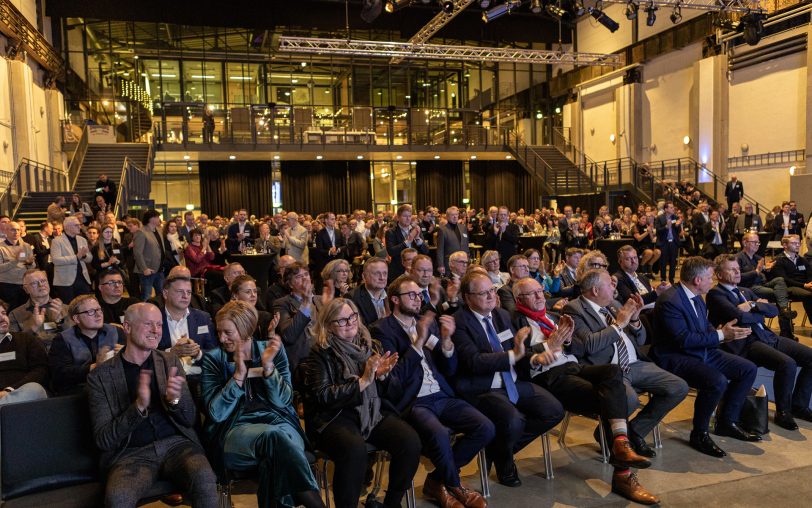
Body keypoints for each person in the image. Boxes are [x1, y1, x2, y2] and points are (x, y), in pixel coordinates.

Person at [512, 278, 659, 505]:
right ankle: (623, 473)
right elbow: (517, 359)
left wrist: (568, 340)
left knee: (612, 372)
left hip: (574, 367)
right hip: (549, 377)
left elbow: (579, 349)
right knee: (611, 401)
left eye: (540, 291)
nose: (540, 296)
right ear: (518, 299)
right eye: (532, 294)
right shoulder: (515, 321)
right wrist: (548, 345)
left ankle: (620, 442)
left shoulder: (551, 316)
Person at [372, 276, 494, 508]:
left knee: (485, 427)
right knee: (438, 434)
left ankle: (437, 481)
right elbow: (396, 377)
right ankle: (456, 486)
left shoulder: (428, 321)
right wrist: (418, 341)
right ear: (395, 300)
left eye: (420, 294)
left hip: (441, 393)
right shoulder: (381, 330)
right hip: (414, 400)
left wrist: (447, 341)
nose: (418, 299)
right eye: (412, 295)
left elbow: (449, 367)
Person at [86, 302, 218, 507]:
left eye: (159, 325)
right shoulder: (100, 377)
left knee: (205, 479)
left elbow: (189, 418)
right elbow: (104, 440)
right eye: (148, 324)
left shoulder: (170, 362)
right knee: (118, 498)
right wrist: (138, 408)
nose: (156, 331)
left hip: (177, 446)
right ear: (127, 327)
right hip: (131, 455)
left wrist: (174, 401)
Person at [298, 298, 420, 508]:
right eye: (342, 321)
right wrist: (363, 381)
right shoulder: (319, 353)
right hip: (334, 418)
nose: (350, 323)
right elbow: (323, 396)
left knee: (410, 441)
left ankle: (392, 503)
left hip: (371, 412)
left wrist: (382, 377)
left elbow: (395, 393)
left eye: (352, 317)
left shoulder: (372, 345)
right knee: (355, 451)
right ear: (328, 325)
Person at [201, 301, 324, 508]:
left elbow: (284, 401)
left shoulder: (272, 350)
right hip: (234, 429)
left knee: (273, 460)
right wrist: (238, 377)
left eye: (228, 332)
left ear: (245, 329)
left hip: (280, 422)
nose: (221, 338)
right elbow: (216, 413)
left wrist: (268, 369)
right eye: (219, 332)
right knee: (274, 438)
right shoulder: (214, 359)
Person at [451, 271, 564, 487]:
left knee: (553, 410)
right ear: (467, 297)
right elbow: (474, 362)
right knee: (513, 420)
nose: (491, 296)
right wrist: (514, 355)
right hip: (484, 388)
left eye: (492, 290)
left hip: (512, 382)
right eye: (483, 293)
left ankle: (500, 450)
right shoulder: (460, 322)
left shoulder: (501, 315)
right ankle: (505, 459)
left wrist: (535, 359)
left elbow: (518, 351)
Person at [564, 269, 688, 456]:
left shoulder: (613, 304)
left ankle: (633, 432)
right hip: (608, 369)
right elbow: (589, 345)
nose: (614, 286)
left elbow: (640, 340)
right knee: (629, 399)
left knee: (678, 387)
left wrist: (636, 319)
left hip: (634, 363)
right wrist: (619, 324)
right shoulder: (574, 309)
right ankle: (615, 440)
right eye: (609, 284)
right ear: (595, 290)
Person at [651, 256, 759, 458]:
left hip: (701, 350)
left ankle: (727, 421)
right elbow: (683, 340)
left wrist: (721, 335)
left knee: (747, 369)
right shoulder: (670, 301)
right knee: (715, 381)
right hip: (674, 356)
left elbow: (705, 327)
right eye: (710, 277)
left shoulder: (696, 296)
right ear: (697, 280)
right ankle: (699, 434)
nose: (713, 280)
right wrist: (720, 335)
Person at [707, 255, 812, 430]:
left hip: (767, 336)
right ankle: (783, 412)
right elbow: (739, 316)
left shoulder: (745, 291)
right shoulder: (716, 294)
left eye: (738, 269)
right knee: (787, 364)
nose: (737, 272)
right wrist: (757, 308)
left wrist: (753, 305)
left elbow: (773, 310)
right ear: (719, 274)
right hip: (747, 341)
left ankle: (799, 405)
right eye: (731, 269)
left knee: (810, 357)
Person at [48, 294, 124, 395]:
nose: (98, 314)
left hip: (114, 384)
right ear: (76, 319)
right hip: (79, 390)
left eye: (99, 309)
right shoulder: (62, 339)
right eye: (91, 312)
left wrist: (126, 354)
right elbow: (60, 374)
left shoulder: (116, 331)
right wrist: (95, 366)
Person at [736, 232, 796, 339]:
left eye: (758, 243)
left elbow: (765, 276)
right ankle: (786, 327)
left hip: (762, 284)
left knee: (779, 280)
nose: (757, 245)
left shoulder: (758, 257)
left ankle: (783, 310)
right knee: (779, 295)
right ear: (745, 243)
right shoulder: (738, 258)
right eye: (754, 242)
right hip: (749, 287)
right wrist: (756, 271)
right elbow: (737, 277)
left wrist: (768, 269)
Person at [0, 298, 49, 404]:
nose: (2, 318)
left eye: (3, 313)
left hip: (23, 393)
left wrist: (9, 390)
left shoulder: (26, 339)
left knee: (35, 389)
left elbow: (40, 370)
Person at [274, 262, 321, 371]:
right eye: (299, 276)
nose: (305, 279)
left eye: (306, 274)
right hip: (303, 363)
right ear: (290, 284)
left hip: (325, 357)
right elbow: (289, 336)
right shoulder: (282, 304)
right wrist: (306, 303)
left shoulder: (321, 300)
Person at [158, 274, 217, 358]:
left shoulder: (203, 318)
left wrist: (198, 353)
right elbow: (145, 352)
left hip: (198, 370)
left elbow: (215, 352)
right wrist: (170, 353)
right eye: (180, 291)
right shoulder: (154, 318)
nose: (185, 296)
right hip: (165, 370)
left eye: (189, 292)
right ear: (165, 294)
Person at [10, 269, 68, 350]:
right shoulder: (15, 314)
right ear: (26, 289)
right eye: (34, 283)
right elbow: (13, 345)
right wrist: (33, 327)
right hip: (33, 357)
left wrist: (59, 321)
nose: (41, 285)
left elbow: (76, 338)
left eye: (43, 281)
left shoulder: (65, 308)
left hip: (62, 355)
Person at [50, 216, 94, 302]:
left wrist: (84, 256)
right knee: (68, 308)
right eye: (76, 225)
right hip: (65, 281)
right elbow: (56, 260)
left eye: (79, 225)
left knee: (84, 305)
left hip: (82, 279)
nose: (80, 227)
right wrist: (76, 257)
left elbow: (90, 258)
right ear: (68, 227)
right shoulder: (57, 241)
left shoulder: (82, 239)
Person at [770, 235, 812, 322]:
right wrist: (804, 285)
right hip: (789, 287)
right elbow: (784, 279)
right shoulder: (779, 260)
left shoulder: (802, 260)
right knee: (809, 296)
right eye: (794, 243)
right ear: (784, 245)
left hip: (805, 286)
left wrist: (810, 283)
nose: (797, 245)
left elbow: (809, 274)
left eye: (798, 243)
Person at [385, 205, 429, 282]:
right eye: (405, 216)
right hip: (398, 271)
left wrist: (418, 239)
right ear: (398, 217)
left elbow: (426, 251)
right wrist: (408, 241)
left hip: (416, 270)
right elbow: (391, 252)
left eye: (409, 216)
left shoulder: (415, 229)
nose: (408, 218)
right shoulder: (391, 232)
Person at [0, 221, 36, 310]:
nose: (16, 232)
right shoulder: (1, 248)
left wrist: (30, 263)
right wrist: (15, 261)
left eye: (18, 230)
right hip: (8, 285)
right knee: (10, 311)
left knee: (25, 311)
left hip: (25, 284)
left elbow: (32, 266)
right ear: (6, 231)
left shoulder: (26, 246)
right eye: (13, 230)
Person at [133, 209, 165, 301]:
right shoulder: (141, 232)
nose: (159, 219)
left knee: (161, 295)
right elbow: (138, 253)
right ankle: (145, 315)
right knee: (146, 296)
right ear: (151, 219)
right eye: (157, 217)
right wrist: (144, 269)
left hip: (159, 269)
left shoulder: (158, 230)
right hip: (148, 270)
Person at [349, 257, 389, 327]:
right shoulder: (352, 298)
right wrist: (388, 320)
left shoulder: (393, 293)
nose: (382, 277)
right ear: (364, 276)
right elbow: (360, 329)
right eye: (377, 273)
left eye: (385, 273)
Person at [436, 206, 470, 276]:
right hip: (450, 264)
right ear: (447, 217)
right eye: (452, 215)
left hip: (463, 263)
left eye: (456, 215)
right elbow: (440, 249)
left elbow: (466, 244)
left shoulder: (463, 227)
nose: (455, 217)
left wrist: (468, 259)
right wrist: (440, 265)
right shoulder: (442, 230)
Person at [654, 201, 683, 284]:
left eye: (673, 207)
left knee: (673, 261)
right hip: (664, 242)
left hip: (673, 242)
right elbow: (658, 231)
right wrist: (666, 227)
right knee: (663, 261)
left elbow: (678, 231)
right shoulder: (660, 218)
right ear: (666, 209)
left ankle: (671, 279)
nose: (673, 209)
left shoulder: (676, 217)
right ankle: (663, 278)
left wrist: (677, 226)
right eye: (671, 207)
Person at [484, 206, 520, 272]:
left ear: (507, 215)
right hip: (495, 260)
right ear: (497, 215)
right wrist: (495, 234)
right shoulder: (492, 227)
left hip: (509, 258)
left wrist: (504, 232)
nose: (503, 216)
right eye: (501, 214)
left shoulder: (514, 227)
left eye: (504, 214)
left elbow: (515, 240)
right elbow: (488, 243)